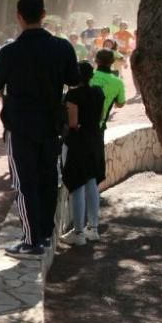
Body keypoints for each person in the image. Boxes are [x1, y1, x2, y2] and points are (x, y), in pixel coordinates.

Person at [0, 0, 79, 258]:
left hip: (20, 126)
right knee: (48, 178)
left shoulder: (9, 51)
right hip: (51, 124)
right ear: (44, 15)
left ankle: (31, 241)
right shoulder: (62, 47)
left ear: (18, 16)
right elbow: (73, 79)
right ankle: (46, 235)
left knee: (25, 182)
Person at [59, 63, 106, 246]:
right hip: (95, 140)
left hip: (78, 142)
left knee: (77, 185)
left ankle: (78, 232)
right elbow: (100, 115)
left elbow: (73, 122)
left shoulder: (73, 95)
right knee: (92, 182)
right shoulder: (99, 92)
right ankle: (93, 228)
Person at [90, 49, 126, 131]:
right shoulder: (118, 82)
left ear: (96, 60)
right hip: (98, 126)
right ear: (113, 61)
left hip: (78, 125)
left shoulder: (88, 75)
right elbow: (120, 104)